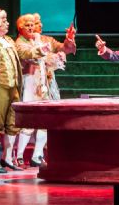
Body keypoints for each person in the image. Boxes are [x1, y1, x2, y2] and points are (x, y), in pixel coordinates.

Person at [15, 14, 77, 167]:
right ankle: (19, 155)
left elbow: (65, 48)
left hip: (46, 83)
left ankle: (37, 155)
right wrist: (45, 54)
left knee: (46, 119)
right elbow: (27, 53)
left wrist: (69, 39)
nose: (40, 25)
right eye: (36, 23)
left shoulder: (45, 39)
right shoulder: (21, 41)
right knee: (29, 120)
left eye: (38, 23)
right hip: (31, 82)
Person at [0, 7, 24, 172]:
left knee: (13, 123)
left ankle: (7, 158)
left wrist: (40, 51)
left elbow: (22, 54)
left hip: (13, 86)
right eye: (3, 20)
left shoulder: (9, 40)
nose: (7, 23)